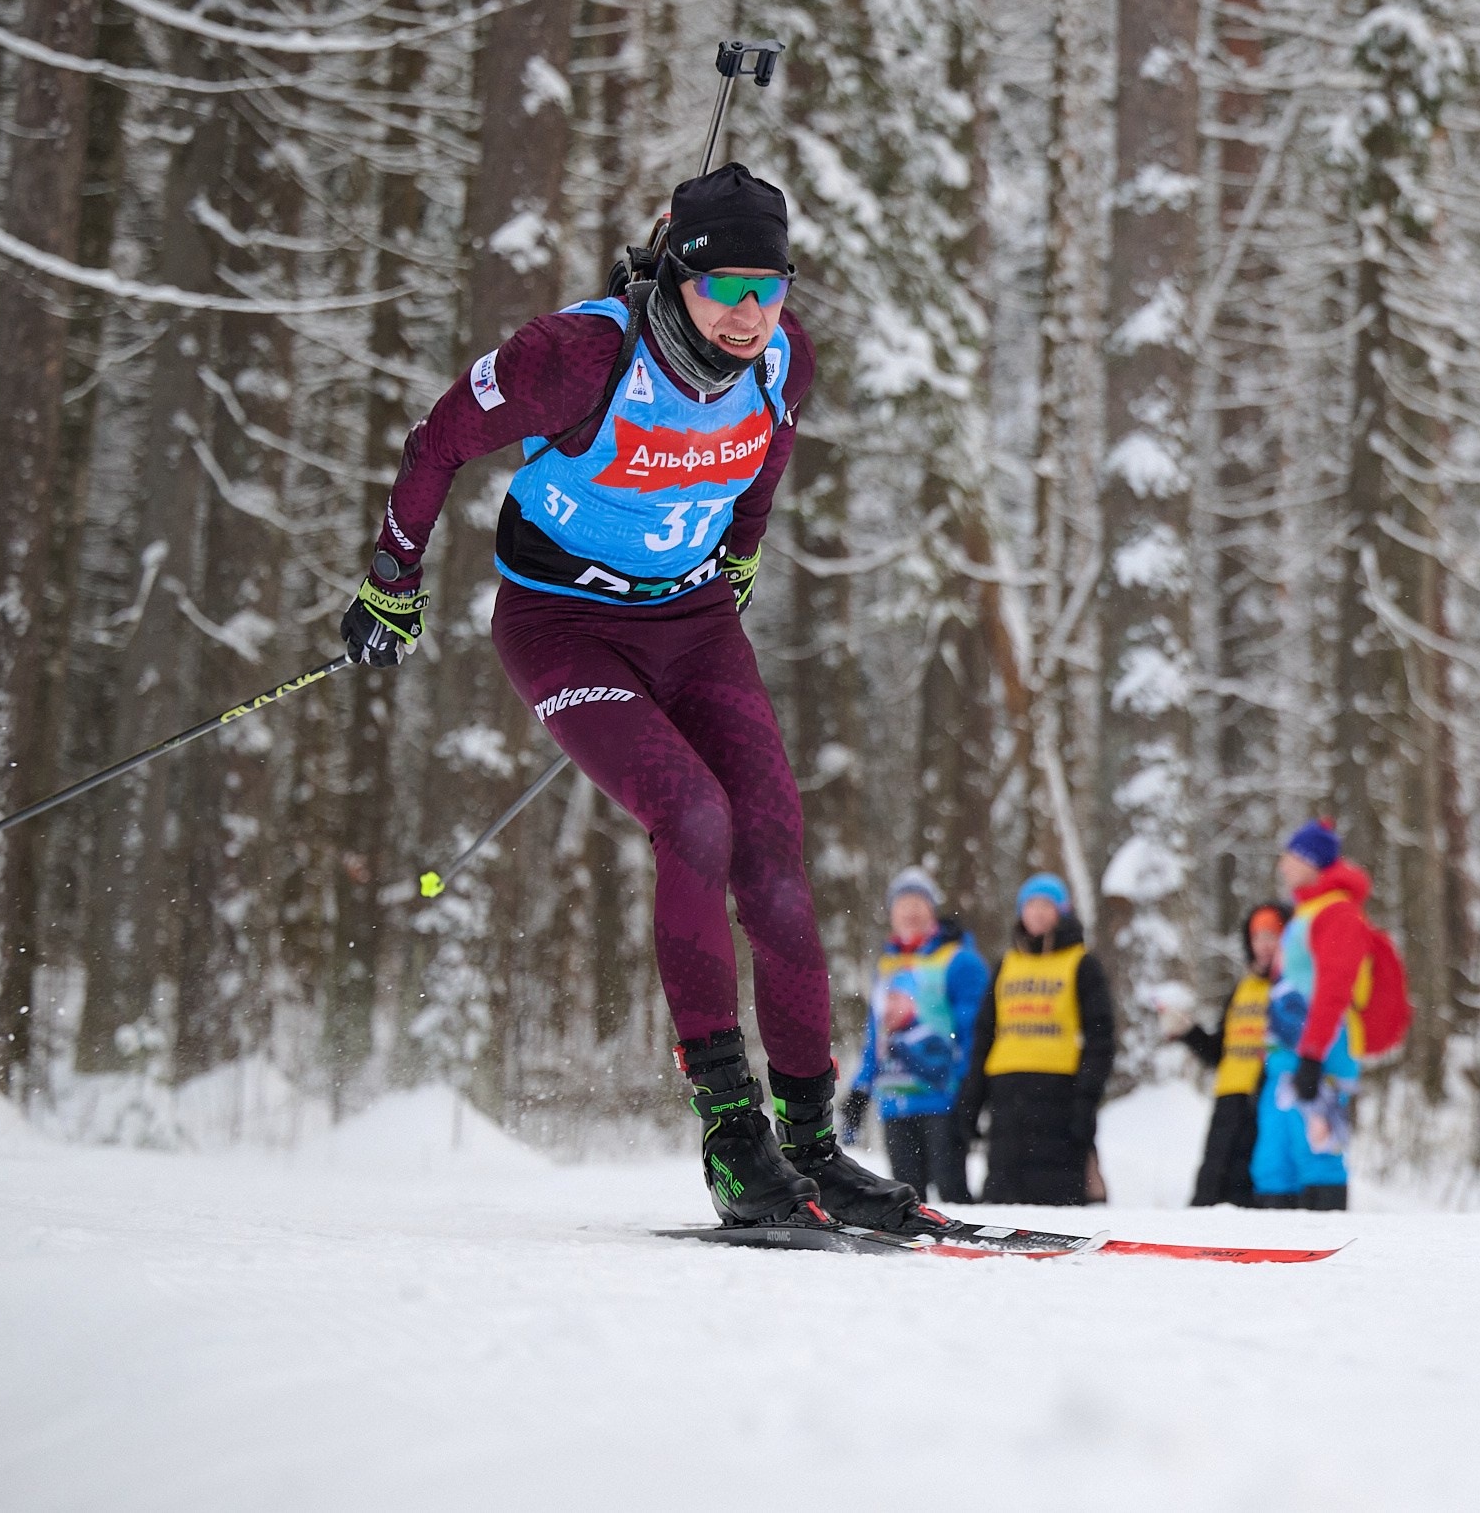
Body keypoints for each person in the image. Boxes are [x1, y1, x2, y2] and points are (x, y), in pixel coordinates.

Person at [338, 162, 925, 1235]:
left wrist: (739, 558)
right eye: (726, 288)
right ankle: (732, 1137)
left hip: (694, 623)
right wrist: (390, 581)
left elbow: (769, 456)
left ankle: (812, 1144)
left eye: (771, 287)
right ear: (675, 272)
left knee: (776, 854)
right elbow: (438, 443)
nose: (752, 314)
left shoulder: (784, 360)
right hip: (561, 626)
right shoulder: (573, 357)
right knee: (692, 819)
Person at [952, 873, 1115, 1206]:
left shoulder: (1082, 964)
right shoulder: (1005, 965)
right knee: (1003, 1193)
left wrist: (1087, 1097)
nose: (1038, 913)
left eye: (1046, 905)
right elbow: (984, 1035)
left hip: (1060, 1093)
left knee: (1057, 1194)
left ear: (1062, 912)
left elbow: (1101, 1037)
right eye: (1031, 905)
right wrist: (971, 1102)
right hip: (1007, 1094)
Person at [1253, 820, 1382, 1211]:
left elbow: (1334, 989)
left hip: (1318, 1056)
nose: (1283, 866)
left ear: (1311, 861)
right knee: (1273, 1163)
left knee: (1318, 1155)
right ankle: (1274, 1252)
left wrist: (1312, 1054)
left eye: (1290, 856)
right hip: (1284, 1058)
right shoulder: (1305, 913)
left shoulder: (1337, 912)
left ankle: (1321, 1249)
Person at [844, 867, 989, 1203]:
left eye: (918, 902)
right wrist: (860, 1090)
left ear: (932, 909)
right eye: (902, 903)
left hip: (943, 1100)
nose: (910, 911)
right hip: (895, 1103)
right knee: (908, 1198)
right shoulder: (886, 967)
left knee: (952, 1194)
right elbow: (875, 1040)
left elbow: (974, 1032)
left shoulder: (959, 961)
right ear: (891, 912)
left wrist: (971, 1087)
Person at [1168, 901, 1287, 1207]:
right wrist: (1188, 1032)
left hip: (1265, 1099)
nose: (1263, 945)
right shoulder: (1242, 989)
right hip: (1228, 1098)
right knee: (1212, 1180)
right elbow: (1219, 1051)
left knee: (1249, 1185)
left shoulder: (1289, 989)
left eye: (1272, 936)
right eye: (1257, 937)